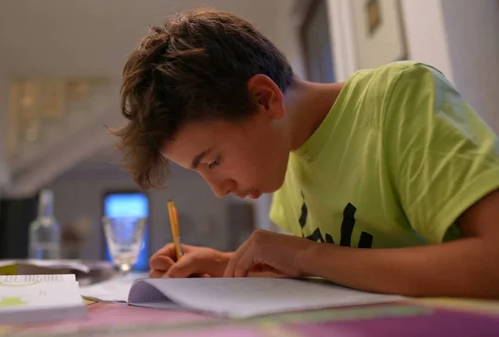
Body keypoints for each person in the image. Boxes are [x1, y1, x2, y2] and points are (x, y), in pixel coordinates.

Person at [111, 8, 499, 299]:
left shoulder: (398, 100)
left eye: (213, 161)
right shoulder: (285, 163)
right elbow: (337, 276)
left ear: (264, 99)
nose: (219, 189)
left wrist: (304, 256)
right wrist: (228, 264)